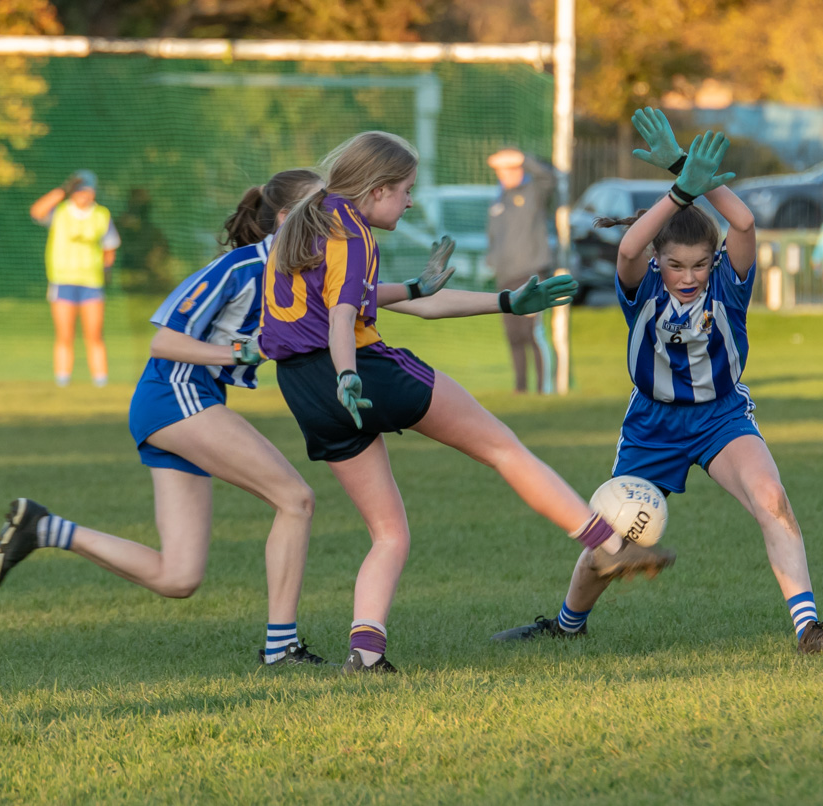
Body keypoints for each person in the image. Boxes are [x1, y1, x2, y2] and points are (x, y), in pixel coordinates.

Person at [261, 131, 676, 675]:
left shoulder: (311, 224)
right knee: (502, 447)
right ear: (379, 188)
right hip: (358, 373)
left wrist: (494, 299)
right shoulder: (355, 233)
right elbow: (343, 319)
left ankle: (365, 655)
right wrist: (347, 373)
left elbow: (366, 301)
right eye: (406, 190)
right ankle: (607, 544)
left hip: (303, 392)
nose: (410, 201)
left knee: (389, 531)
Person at [492, 109, 823, 655]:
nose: (688, 277)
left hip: (721, 417)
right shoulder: (641, 291)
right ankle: (568, 625)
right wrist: (679, 193)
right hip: (653, 425)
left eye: (698, 265)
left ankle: (807, 630)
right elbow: (626, 248)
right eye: (675, 265)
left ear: (712, 262)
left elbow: (744, 224)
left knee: (773, 499)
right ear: (658, 261)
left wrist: (682, 167)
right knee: (612, 537)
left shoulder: (729, 287)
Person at [0, 169, 333, 666]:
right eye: (323, 209)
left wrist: (416, 289)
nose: (334, 220)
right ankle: (282, 648)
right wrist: (242, 352)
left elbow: (357, 297)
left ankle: (44, 529)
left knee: (179, 577)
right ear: (286, 218)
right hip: (176, 395)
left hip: (184, 404)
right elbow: (163, 340)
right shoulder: (240, 268)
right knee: (295, 499)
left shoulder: (299, 272)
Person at [30, 171, 122, 387]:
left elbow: (109, 248)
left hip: (91, 281)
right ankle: (62, 379)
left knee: (94, 333)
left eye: (87, 191)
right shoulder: (60, 212)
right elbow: (36, 211)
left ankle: (100, 380)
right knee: (64, 334)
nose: (83, 196)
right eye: (79, 191)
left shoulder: (101, 215)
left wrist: (106, 268)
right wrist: (61, 191)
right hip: (62, 279)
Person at [486, 147, 557, 394]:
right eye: (500, 171)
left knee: (532, 333)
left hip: (530, 274)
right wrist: (491, 261)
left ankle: (543, 390)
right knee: (513, 336)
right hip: (505, 277)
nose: (504, 174)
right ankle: (521, 390)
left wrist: (524, 159)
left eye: (509, 169)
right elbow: (494, 237)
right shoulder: (498, 199)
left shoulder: (534, 192)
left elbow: (549, 177)